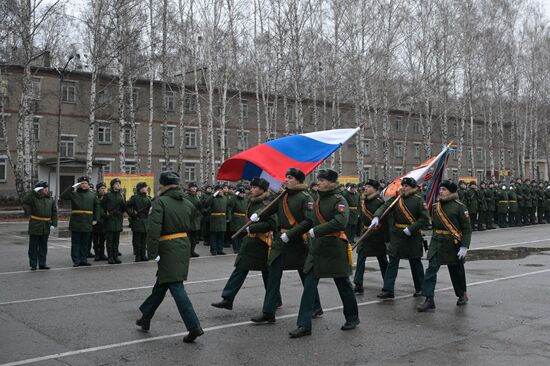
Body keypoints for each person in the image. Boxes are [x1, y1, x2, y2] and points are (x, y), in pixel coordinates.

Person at [289, 169, 359, 338]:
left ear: (331, 182)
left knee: (344, 285)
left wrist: (317, 230)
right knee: (309, 286)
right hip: (317, 249)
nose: (318, 182)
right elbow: (310, 221)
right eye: (318, 179)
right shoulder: (317, 199)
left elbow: (341, 222)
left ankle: (352, 317)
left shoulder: (339, 200)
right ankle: (304, 324)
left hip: (334, 248)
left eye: (322, 180)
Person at [136, 171, 203, 343]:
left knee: (175, 285)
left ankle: (193, 326)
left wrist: (152, 252)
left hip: (167, 247)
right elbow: (194, 220)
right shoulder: (187, 203)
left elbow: (154, 229)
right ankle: (146, 316)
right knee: (162, 283)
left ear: (163, 185)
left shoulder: (160, 202)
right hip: (182, 244)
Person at [250, 168, 323, 324]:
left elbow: (308, 221)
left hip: (297, 241)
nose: (286, 180)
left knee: (305, 275)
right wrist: (259, 215)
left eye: (289, 178)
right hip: (280, 241)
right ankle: (268, 312)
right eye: (286, 177)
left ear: (298, 180)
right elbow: (271, 209)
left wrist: (289, 235)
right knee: (273, 274)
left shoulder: (305, 197)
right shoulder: (283, 195)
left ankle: (316, 306)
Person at [211, 177, 276, 310]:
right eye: (250, 187)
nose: (251, 189)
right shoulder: (252, 201)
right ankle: (228, 298)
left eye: (254, 187)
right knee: (241, 268)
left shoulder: (267, 203)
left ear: (262, 190)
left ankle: (275, 299)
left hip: (262, 243)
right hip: (251, 242)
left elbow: (272, 224)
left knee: (267, 273)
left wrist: (251, 228)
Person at [417, 180, 472, 311]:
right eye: (440, 189)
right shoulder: (436, 207)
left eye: (444, 190)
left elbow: (466, 229)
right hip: (437, 243)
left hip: (452, 243)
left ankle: (461, 294)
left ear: (451, 192)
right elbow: (435, 226)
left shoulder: (459, 207)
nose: (440, 191)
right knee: (431, 270)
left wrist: (464, 246)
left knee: (456, 271)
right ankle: (429, 299)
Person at [373, 177, 430, 299]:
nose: (403, 188)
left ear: (413, 188)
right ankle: (388, 289)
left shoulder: (419, 200)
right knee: (392, 261)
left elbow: (424, 218)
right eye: (402, 186)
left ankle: (420, 288)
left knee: (415, 262)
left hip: (412, 235)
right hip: (397, 235)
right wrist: (377, 216)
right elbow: (384, 207)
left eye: (406, 186)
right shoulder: (397, 198)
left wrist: (411, 228)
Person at [353, 179, 388, 293]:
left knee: (382, 259)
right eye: (365, 186)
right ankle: (358, 284)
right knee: (361, 257)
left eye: (369, 187)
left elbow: (385, 219)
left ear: (375, 189)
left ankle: (388, 283)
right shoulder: (362, 201)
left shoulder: (379, 202)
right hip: (365, 233)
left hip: (377, 234)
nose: (366, 188)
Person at [60, 176, 100, 267]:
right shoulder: (74, 194)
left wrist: (95, 219)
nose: (84, 185)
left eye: (86, 183)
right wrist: (72, 187)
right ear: (78, 184)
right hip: (76, 221)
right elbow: (63, 196)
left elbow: (97, 206)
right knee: (76, 242)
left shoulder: (92, 194)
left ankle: (83, 259)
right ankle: (76, 260)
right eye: (82, 183)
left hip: (87, 220)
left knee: (85, 242)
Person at [22, 181, 57, 270]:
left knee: (43, 246)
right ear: (39, 190)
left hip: (46, 225)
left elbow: (54, 212)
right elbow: (25, 200)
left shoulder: (50, 199)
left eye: (46, 188)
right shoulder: (33, 198)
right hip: (35, 224)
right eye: (44, 188)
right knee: (33, 246)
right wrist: (34, 191)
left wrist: (54, 223)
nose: (46, 190)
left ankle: (42, 263)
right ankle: (33, 264)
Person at [102, 178, 126, 264]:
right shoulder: (107, 195)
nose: (118, 185)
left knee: (116, 240)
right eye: (116, 184)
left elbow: (124, 207)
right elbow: (102, 207)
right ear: (112, 185)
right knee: (110, 241)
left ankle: (116, 256)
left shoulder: (121, 195)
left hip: (118, 220)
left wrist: (121, 212)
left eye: (119, 183)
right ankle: (110, 257)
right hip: (110, 220)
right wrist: (106, 215)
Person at [127, 182, 152, 262]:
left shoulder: (148, 198)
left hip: (145, 221)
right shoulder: (135, 198)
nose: (146, 188)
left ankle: (143, 255)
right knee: (137, 240)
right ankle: (138, 256)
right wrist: (132, 213)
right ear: (141, 189)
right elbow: (127, 206)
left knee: (144, 240)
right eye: (145, 187)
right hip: (137, 221)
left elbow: (150, 208)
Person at [205, 184, 228, 255]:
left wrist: (227, 218)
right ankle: (213, 250)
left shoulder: (225, 198)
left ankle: (220, 249)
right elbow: (206, 203)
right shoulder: (213, 198)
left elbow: (227, 209)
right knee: (214, 236)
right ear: (215, 191)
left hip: (223, 219)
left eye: (221, 190)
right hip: (215, 218)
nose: (220, 191)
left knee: (221, 235)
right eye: (219, 190)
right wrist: (213, 195)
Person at [184, 182, 202, 257]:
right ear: (189, 188)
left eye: (195, 187)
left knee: (194, 238)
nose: (194, 188)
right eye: (192, 187)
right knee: (188, 237)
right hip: (189, 219)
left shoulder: (197, 197)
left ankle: (192, 251)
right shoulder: (186, 197)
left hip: (196, 220)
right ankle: (187, 252)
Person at [229, 185, 248, 253]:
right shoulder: (234, 199)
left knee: (242, 235)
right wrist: (235, 195)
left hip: (243, 219)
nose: (242, 194)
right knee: (236, 234)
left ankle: (240, 248)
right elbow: (231, 204)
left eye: (243, 193)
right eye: (240, 193)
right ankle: (236, 248)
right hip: (236, 218)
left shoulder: (246, 199)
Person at [92, 182, 108, 261]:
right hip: (96, 220)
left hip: (104, 221)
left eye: (104, 188)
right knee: (95, 239)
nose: (103, 190)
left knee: (103, 239)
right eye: (102, 188)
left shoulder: (106, 197)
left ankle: (102, 253)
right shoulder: (94, 197)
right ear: (98, 189)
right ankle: (97, 254)